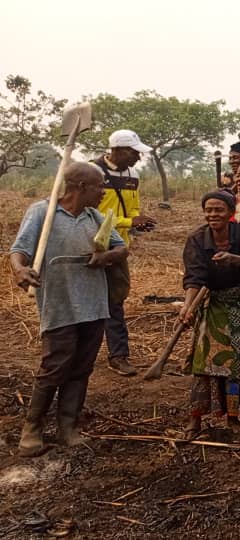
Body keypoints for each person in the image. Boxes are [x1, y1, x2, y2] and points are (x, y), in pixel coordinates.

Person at [10, 162, 127, 456]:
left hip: (94, 304)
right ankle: (32, 428)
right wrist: (20, 270)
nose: (103, 192)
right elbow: (19, 250)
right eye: (99, 186)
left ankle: (68, 427)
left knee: (81, 368)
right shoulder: (43, 212)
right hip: (59, 304)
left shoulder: (95, 216)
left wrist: (106, 257)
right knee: (55, 366)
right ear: (80, 187)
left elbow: (121, 248)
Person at [180, 192, 240, 439]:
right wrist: (187, 307)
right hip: (211, 305)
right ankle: (195, 421)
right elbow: (194, 278)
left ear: (230, 212)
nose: (213, 215)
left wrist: (232, 259)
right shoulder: (197, 239)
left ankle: (233, 418)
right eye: (208, 210)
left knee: (238, 364)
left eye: (218, 210)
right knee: (204, 363)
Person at [91, 129, 156, 376]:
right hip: (90, 246)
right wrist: (130, 223)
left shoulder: (132, 176)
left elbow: (133, 209)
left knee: (115, 302)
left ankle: (118, 356)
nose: (138, 158)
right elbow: (92, 216)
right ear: (116, 150)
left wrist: (139, 221)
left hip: (117, 249)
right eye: (133, 152)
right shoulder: (92, 172)